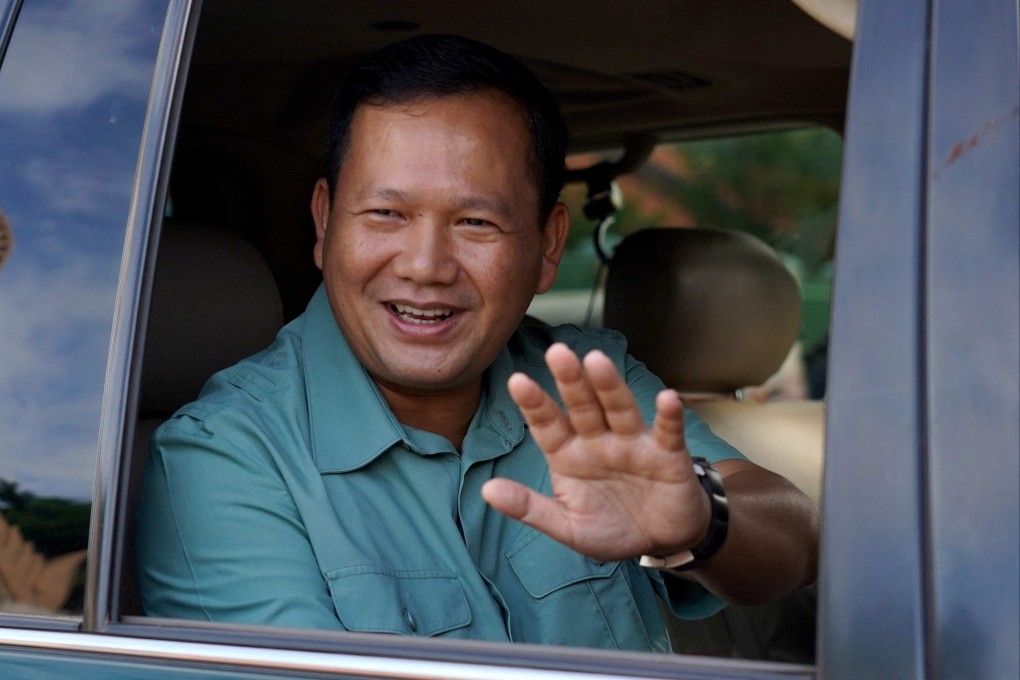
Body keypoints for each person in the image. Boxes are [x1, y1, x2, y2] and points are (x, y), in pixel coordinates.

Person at [137, 34, 818, 652]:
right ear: (324, 222)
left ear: (549, 246)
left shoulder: (585, 379)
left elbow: (795, 538)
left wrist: (698, 522)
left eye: (475, 222)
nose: (425, 265)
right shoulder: (224, 456)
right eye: (386, 214)